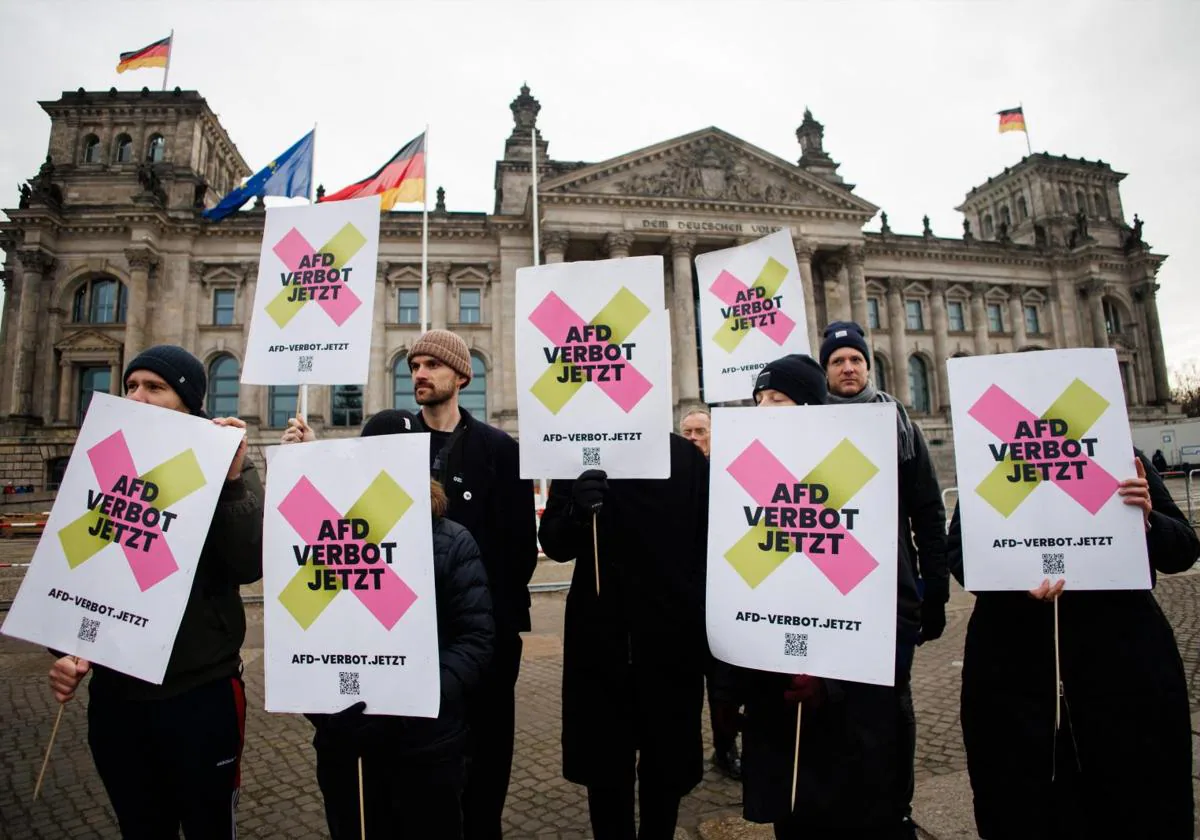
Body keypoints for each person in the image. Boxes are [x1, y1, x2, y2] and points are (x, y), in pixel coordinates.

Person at [284, 329, 536, 840]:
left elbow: (519, 555)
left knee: (482, 792)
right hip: (394, 647)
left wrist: (487, 642)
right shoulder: (388, 435)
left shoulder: (499, 450)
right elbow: (346, 515)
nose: (418, 372)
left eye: (431, 365)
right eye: (414, 364)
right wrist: (309, 457)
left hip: (475, 651)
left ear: (461, 376)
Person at [48, 344, 263, 839]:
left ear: (187, 400)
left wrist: (232, 480)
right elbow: (69, 573)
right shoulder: (102, 461)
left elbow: (247, 563)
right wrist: (67, 650)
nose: (136, 397)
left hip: (200, 691)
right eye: (130, 386)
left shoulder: (225, 460)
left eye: (155, 387)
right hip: (117, 697)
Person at [948, 451, 1197, 838]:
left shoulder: (1121, 455)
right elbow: (960, 554)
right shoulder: (990, 458)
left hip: (1124, 670)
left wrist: (1148, 521)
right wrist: (1015, 582)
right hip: (1014, 674)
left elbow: (1182, 549)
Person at [297, 410, 494, 840]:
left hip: (428, 745)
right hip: (345, 743)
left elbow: (476, 641)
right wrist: (328, 713)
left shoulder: (451, 539)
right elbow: (299, 641)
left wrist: (408, 701)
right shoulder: (322, 538)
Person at [737, 353, 902, 839]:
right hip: (777, 701)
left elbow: (897, 604)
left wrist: (831, 683)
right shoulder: (744, 480)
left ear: (811, 406)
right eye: (759, 400)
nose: (764, 409)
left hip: (843, 712)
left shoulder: (856, 477)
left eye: (778, 399)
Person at [538, 434, 709, 839]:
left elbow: (709, 545)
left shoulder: (684, 457)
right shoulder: (577, 454)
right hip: (601, 646)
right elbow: (554, 544)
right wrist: (577, 512)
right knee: (605, 776)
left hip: (669, 646)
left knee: (664, 778)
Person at [820, 321, 948, 838]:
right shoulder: (806, 424)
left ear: (868, 367)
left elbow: (928, 510)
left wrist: (935, 585)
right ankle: (842, 801)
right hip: (826, 590)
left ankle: (895, 806)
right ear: (825, 370)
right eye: (837, 361)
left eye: (856, 359)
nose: (848, 368)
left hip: (890, 588)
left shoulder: (900, 424)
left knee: (893, 700)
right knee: (838, 703)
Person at [679, 406, 741, 780]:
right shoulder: (669, 475)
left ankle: (725, 749)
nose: (693, 438)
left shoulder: (731, 474)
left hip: (724, 596)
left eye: (700, 431)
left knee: (724, 686)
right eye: (686, 432)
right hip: (685, 598)